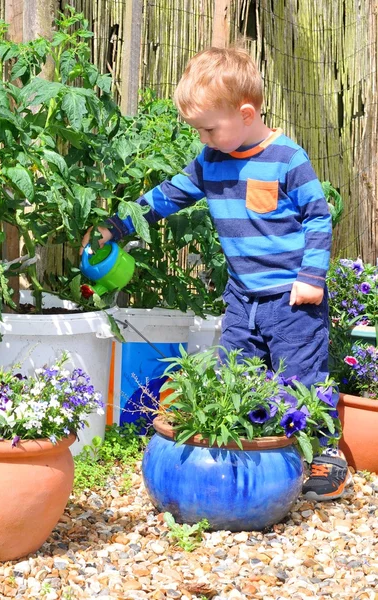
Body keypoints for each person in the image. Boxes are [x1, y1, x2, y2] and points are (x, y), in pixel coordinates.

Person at [81, 45, 350, 501]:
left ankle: (326, 455)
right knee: (230, 370)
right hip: (242, 298)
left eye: (209, 128)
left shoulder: (287, 158)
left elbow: (318, 218)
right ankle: (247, 449)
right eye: (198, 130)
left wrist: (312, 276)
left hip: (292, 298)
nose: (203, 138)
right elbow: (168, 195)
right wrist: (117, 224)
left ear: (246, 114)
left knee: (301, 378)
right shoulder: (211, 160)